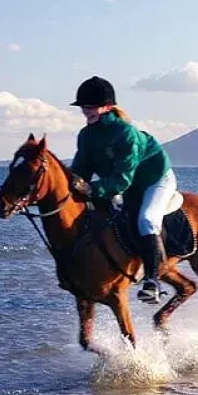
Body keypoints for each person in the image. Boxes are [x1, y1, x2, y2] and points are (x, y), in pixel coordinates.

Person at [68, 76, 174, 304]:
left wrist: (92, 188)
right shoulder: (86, 135)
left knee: (146, 220)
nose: (87, 112)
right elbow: (81, 168)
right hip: (123, 183)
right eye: (84, 108)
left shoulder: (125, 134)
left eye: (91, 107)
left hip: (154, 180)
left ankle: (152, 281)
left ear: (107, 107)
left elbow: (122, 180)